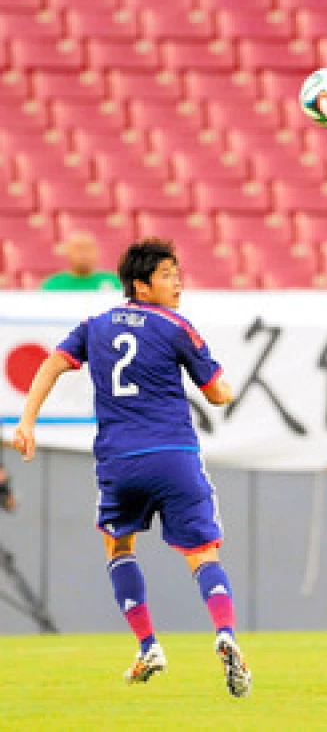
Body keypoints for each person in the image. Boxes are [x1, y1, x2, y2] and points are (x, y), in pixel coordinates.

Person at [13, 238, 251, 698]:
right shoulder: (177, 327)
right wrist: (230, 390)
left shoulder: (96, 325)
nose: (177, 281)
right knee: (202, 554)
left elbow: (52, 365)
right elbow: (219, 393)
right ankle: (224, 633)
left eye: (177, 272)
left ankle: (147, 645)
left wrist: (27, 421)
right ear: (141, 286)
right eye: (166, 275)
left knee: (118, 545)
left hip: (119, 462)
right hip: (174, 456)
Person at [41, 231, 122, 291]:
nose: (84, 254)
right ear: (68, 253)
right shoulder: (53, 285)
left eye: (88, 248)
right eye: (78, 248)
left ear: (97, 252)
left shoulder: (114, 282)